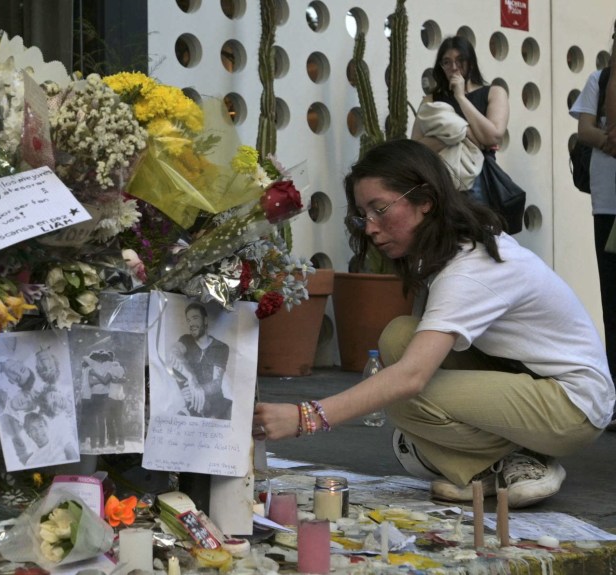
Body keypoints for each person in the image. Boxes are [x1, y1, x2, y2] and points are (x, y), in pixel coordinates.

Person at [253, 140, 614, 509]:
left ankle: (516, 461)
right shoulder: (444, 251)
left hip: (572, 406)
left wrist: (305, 418)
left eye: (380, 210)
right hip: (528, 380)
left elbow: (411, 377)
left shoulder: (472, 269)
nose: (372, 229)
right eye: (363, 216)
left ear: (425, 200)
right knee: (399, 337)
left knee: (404, 399)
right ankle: (497, 463)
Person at [571, 31, 616, 431]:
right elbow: (583, 129)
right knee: (613, 302)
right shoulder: (600, 80)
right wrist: (609, 139)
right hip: (608, 205)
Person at [411, 35, 508, 206]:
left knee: (478, 229)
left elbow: (492, 137)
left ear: (471, 62)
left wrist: (461, 98)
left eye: (460, 60)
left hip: (479, 175)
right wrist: (467, 133)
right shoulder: (431, 100)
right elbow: (416, 147)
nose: (454, 67)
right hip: (440, 178)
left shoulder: (494, 92)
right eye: (446, 62)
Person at [167, 302, 232, 419]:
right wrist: (192, 379)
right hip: (192, 406)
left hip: (216, 406)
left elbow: (216, 383)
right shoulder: (186, 340)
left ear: (205, 320)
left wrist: (195, 390)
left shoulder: (220, 347)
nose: (191, 323)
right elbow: (173, 353)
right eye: (188, 320)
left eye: (195, 318)